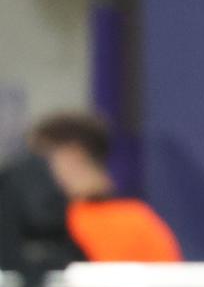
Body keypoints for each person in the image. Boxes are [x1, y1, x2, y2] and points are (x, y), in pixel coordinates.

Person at [9, 111, 181, 264]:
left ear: (72, 156)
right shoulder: (35, 224)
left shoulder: (136, 224)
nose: (31, 170)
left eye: (41, 158)